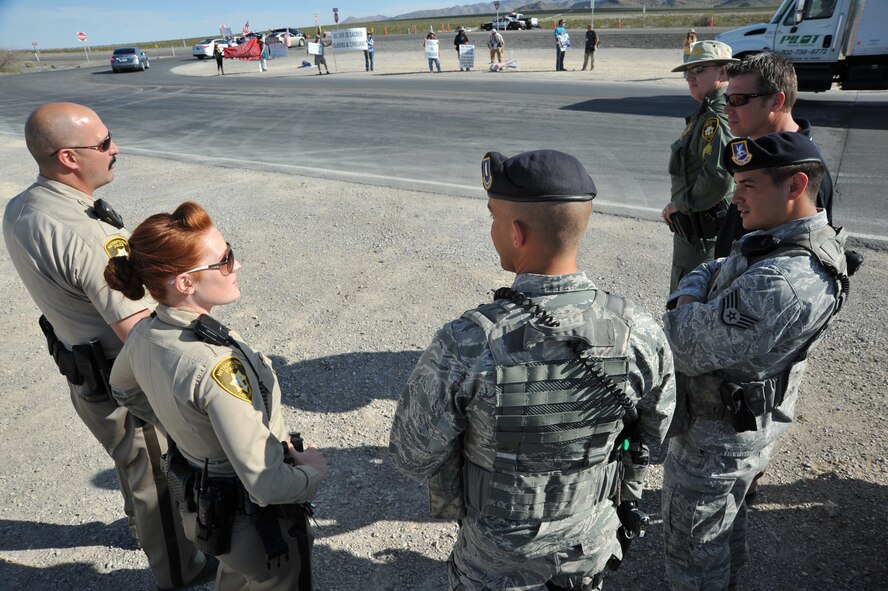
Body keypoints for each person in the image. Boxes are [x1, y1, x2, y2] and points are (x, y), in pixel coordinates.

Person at [389, 150, 676, 590]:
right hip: (588, 548)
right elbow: (655, 431)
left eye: (493, 218)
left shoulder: (468, 341)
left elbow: (411, 455)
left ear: (517, 233)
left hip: (496, 563)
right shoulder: (638, 329)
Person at [2, 102, 216, 590]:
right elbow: (140, 334)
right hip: (123, 384)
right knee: (158, 481)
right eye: (102, 144)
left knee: (132, 466)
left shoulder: (24, 206)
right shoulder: (85, 234)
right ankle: (180, 570)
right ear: (69, 158)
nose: (114, 149)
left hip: (86, 375)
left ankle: (148, 535)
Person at [661, 132, 853, 591]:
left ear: (795, 185)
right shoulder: (779, 240)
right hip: (736, 428)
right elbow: (714, 265)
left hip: (716, 440)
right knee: (721, 529)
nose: (735, 197)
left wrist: (683, 302)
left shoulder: (784, 279)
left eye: (748, 184)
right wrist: (696, 294)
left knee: (693, 553)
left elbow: (681, 341)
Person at [106, 201, 329, 590]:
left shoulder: (144, 334)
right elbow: (266, 485)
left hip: (205, 508)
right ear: (186, 283)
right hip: (258, 529)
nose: (236, 266)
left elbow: (122, 388)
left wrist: (185, 430)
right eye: (224, 260)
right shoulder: (214, 365)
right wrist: (312, 473)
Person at [715, 52, 835, 259]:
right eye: (727, 99)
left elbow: (804, 254)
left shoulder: (803, 169)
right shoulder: (758, 154)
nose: (727, 109)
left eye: (737, 100)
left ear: (776, 101)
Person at [662, 40, 738, 292]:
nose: (690, 77)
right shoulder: (705, 113)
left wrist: (679, 204)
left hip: (702, 236)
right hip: (696, 232)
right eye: (688, 72)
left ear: (723, 71)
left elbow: (718, 176)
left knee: (688, 305)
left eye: (700, 69)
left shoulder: (716, 116)